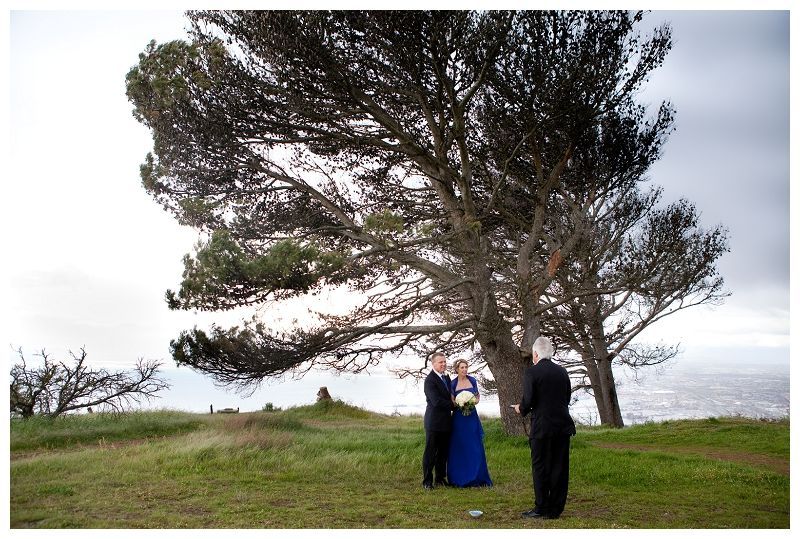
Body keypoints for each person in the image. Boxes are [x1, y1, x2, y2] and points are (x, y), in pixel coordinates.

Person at [513, 336, 576, 519]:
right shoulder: (562, 372)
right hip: (562, 426)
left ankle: (541, 507)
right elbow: (566, 398)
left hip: (542, 427)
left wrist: (520, 408)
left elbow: (528, 400)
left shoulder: (532, 372)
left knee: (540, 466)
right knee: (559, 467)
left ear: (535, 353)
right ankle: (556, 509)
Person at [447, 358, 493, 487]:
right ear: (457, 369)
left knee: (475, 446)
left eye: (466, 367)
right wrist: (460, 403)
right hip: (459, 418)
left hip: (471, 416)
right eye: (462, 367)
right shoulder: (453, 383)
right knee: (459, 446)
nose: (465, 369)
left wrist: (472, 402)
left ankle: (478, 476)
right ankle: (459, 477)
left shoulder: (472, 380)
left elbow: (478, 397)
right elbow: (452, 401)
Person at [422, 352, 454, 490]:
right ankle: (427, 482)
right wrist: (455, 405)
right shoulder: (429, 380)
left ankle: (440, 479)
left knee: (443, 453)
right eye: (440, 362)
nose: (443, 364)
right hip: (434, 422)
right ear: (433, 364)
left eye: (444, 362)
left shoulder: (446, 377)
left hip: (446, 422)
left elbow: (450, 395)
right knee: (431, 453)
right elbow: (436, 401)